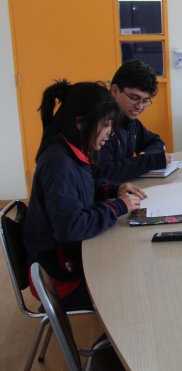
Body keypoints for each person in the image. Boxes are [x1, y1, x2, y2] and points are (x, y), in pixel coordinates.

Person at [23, 80, 146, 310]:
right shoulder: (58, 164)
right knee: (135, 282)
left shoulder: (68, 150)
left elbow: (82, 186)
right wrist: (118, 206)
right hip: (60, 279)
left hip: (66, 259)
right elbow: (70, 226)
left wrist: (113, 189)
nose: (110, 133)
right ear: (80, 123)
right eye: (106, 125)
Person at [94, 60, 172, 182]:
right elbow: (103, 173)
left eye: (145, 101)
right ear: (114, 91)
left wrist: (146, 156)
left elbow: (156, 142)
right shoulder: (101, 124)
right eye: (134, 98)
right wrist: (147, 161)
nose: (139, 107)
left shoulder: (130, 121)